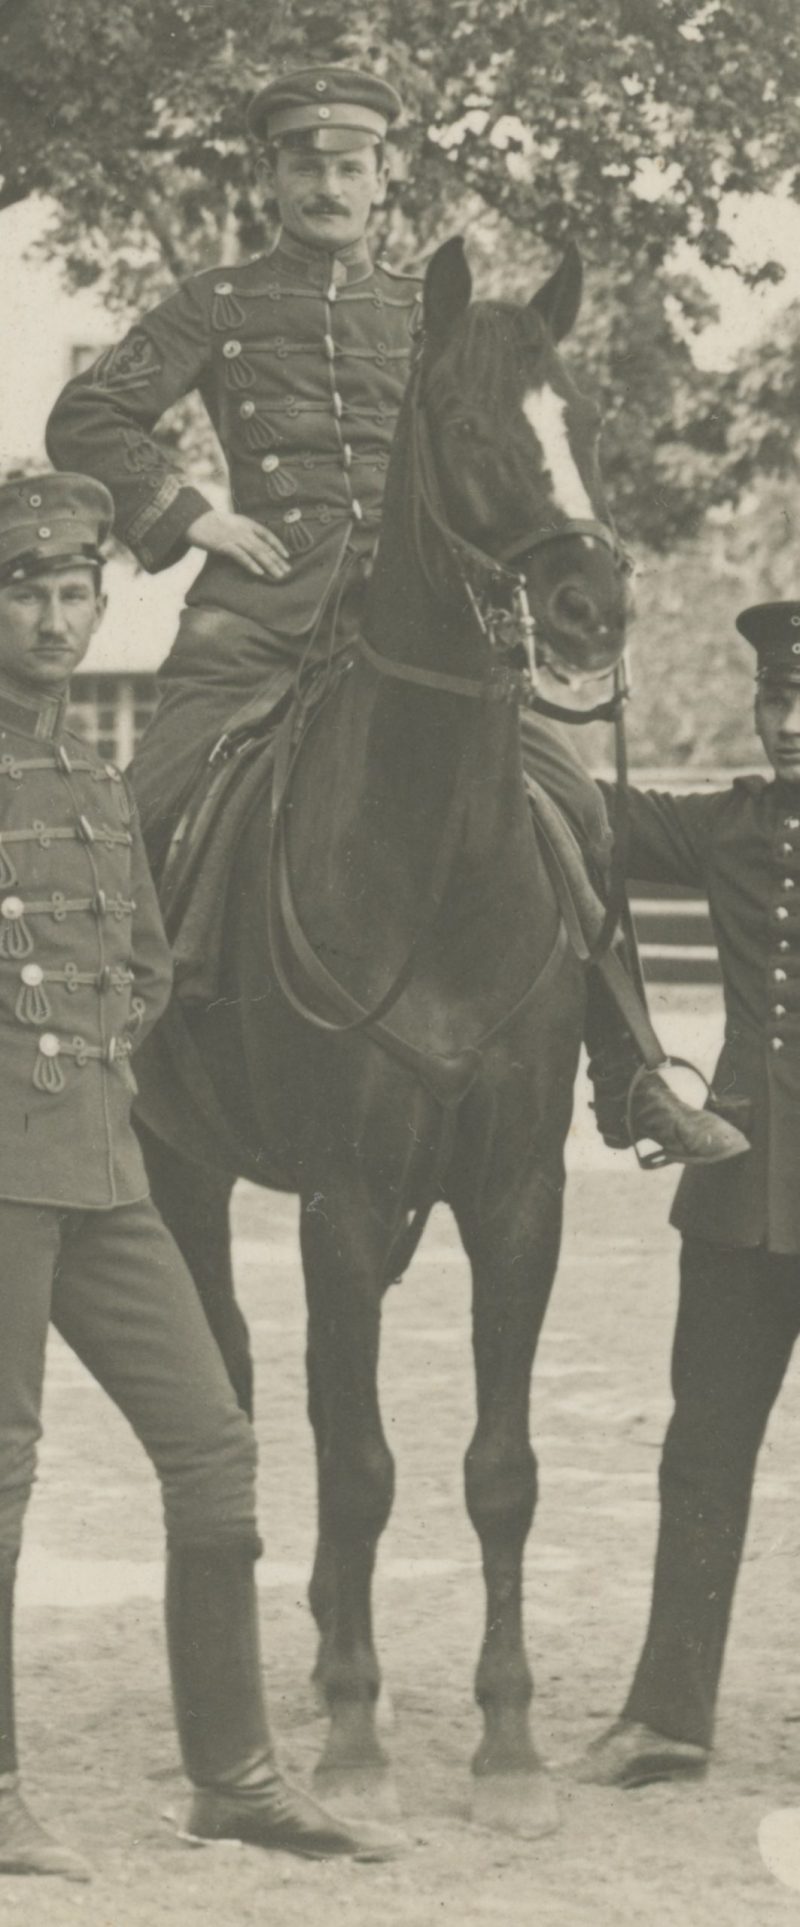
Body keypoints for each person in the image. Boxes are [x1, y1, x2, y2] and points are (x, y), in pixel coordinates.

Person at [45, 62, 739, 1170]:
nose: (328, 182)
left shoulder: (437, 312)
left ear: (385, 178)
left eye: (349, 165)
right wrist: (191, 516)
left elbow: (513, 437)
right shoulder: (214, 306)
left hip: (419, 632)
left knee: (573, 802)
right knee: (148, 802)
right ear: (272, 176)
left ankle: (632, 1068)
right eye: (305, 163)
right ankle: (117, 1052)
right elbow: (88, 414)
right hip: (255, 626)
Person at [0, 473, 399, 1877]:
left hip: (102, 1166)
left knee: (213, 1441)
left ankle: (233, 1774)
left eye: (72, 593)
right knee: (2, 1471)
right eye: (28, 593)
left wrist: (100, 1059)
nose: (56, 618)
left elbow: (148, 961)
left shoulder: (103, 775)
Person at [580, 600, 800, 1788]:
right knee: (701, 1451)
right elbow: (592, 814)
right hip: (738, 1194)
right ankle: (667, 1716)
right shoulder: (731, 827)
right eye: (773, 699)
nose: (787, 723)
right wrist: (541, 698)